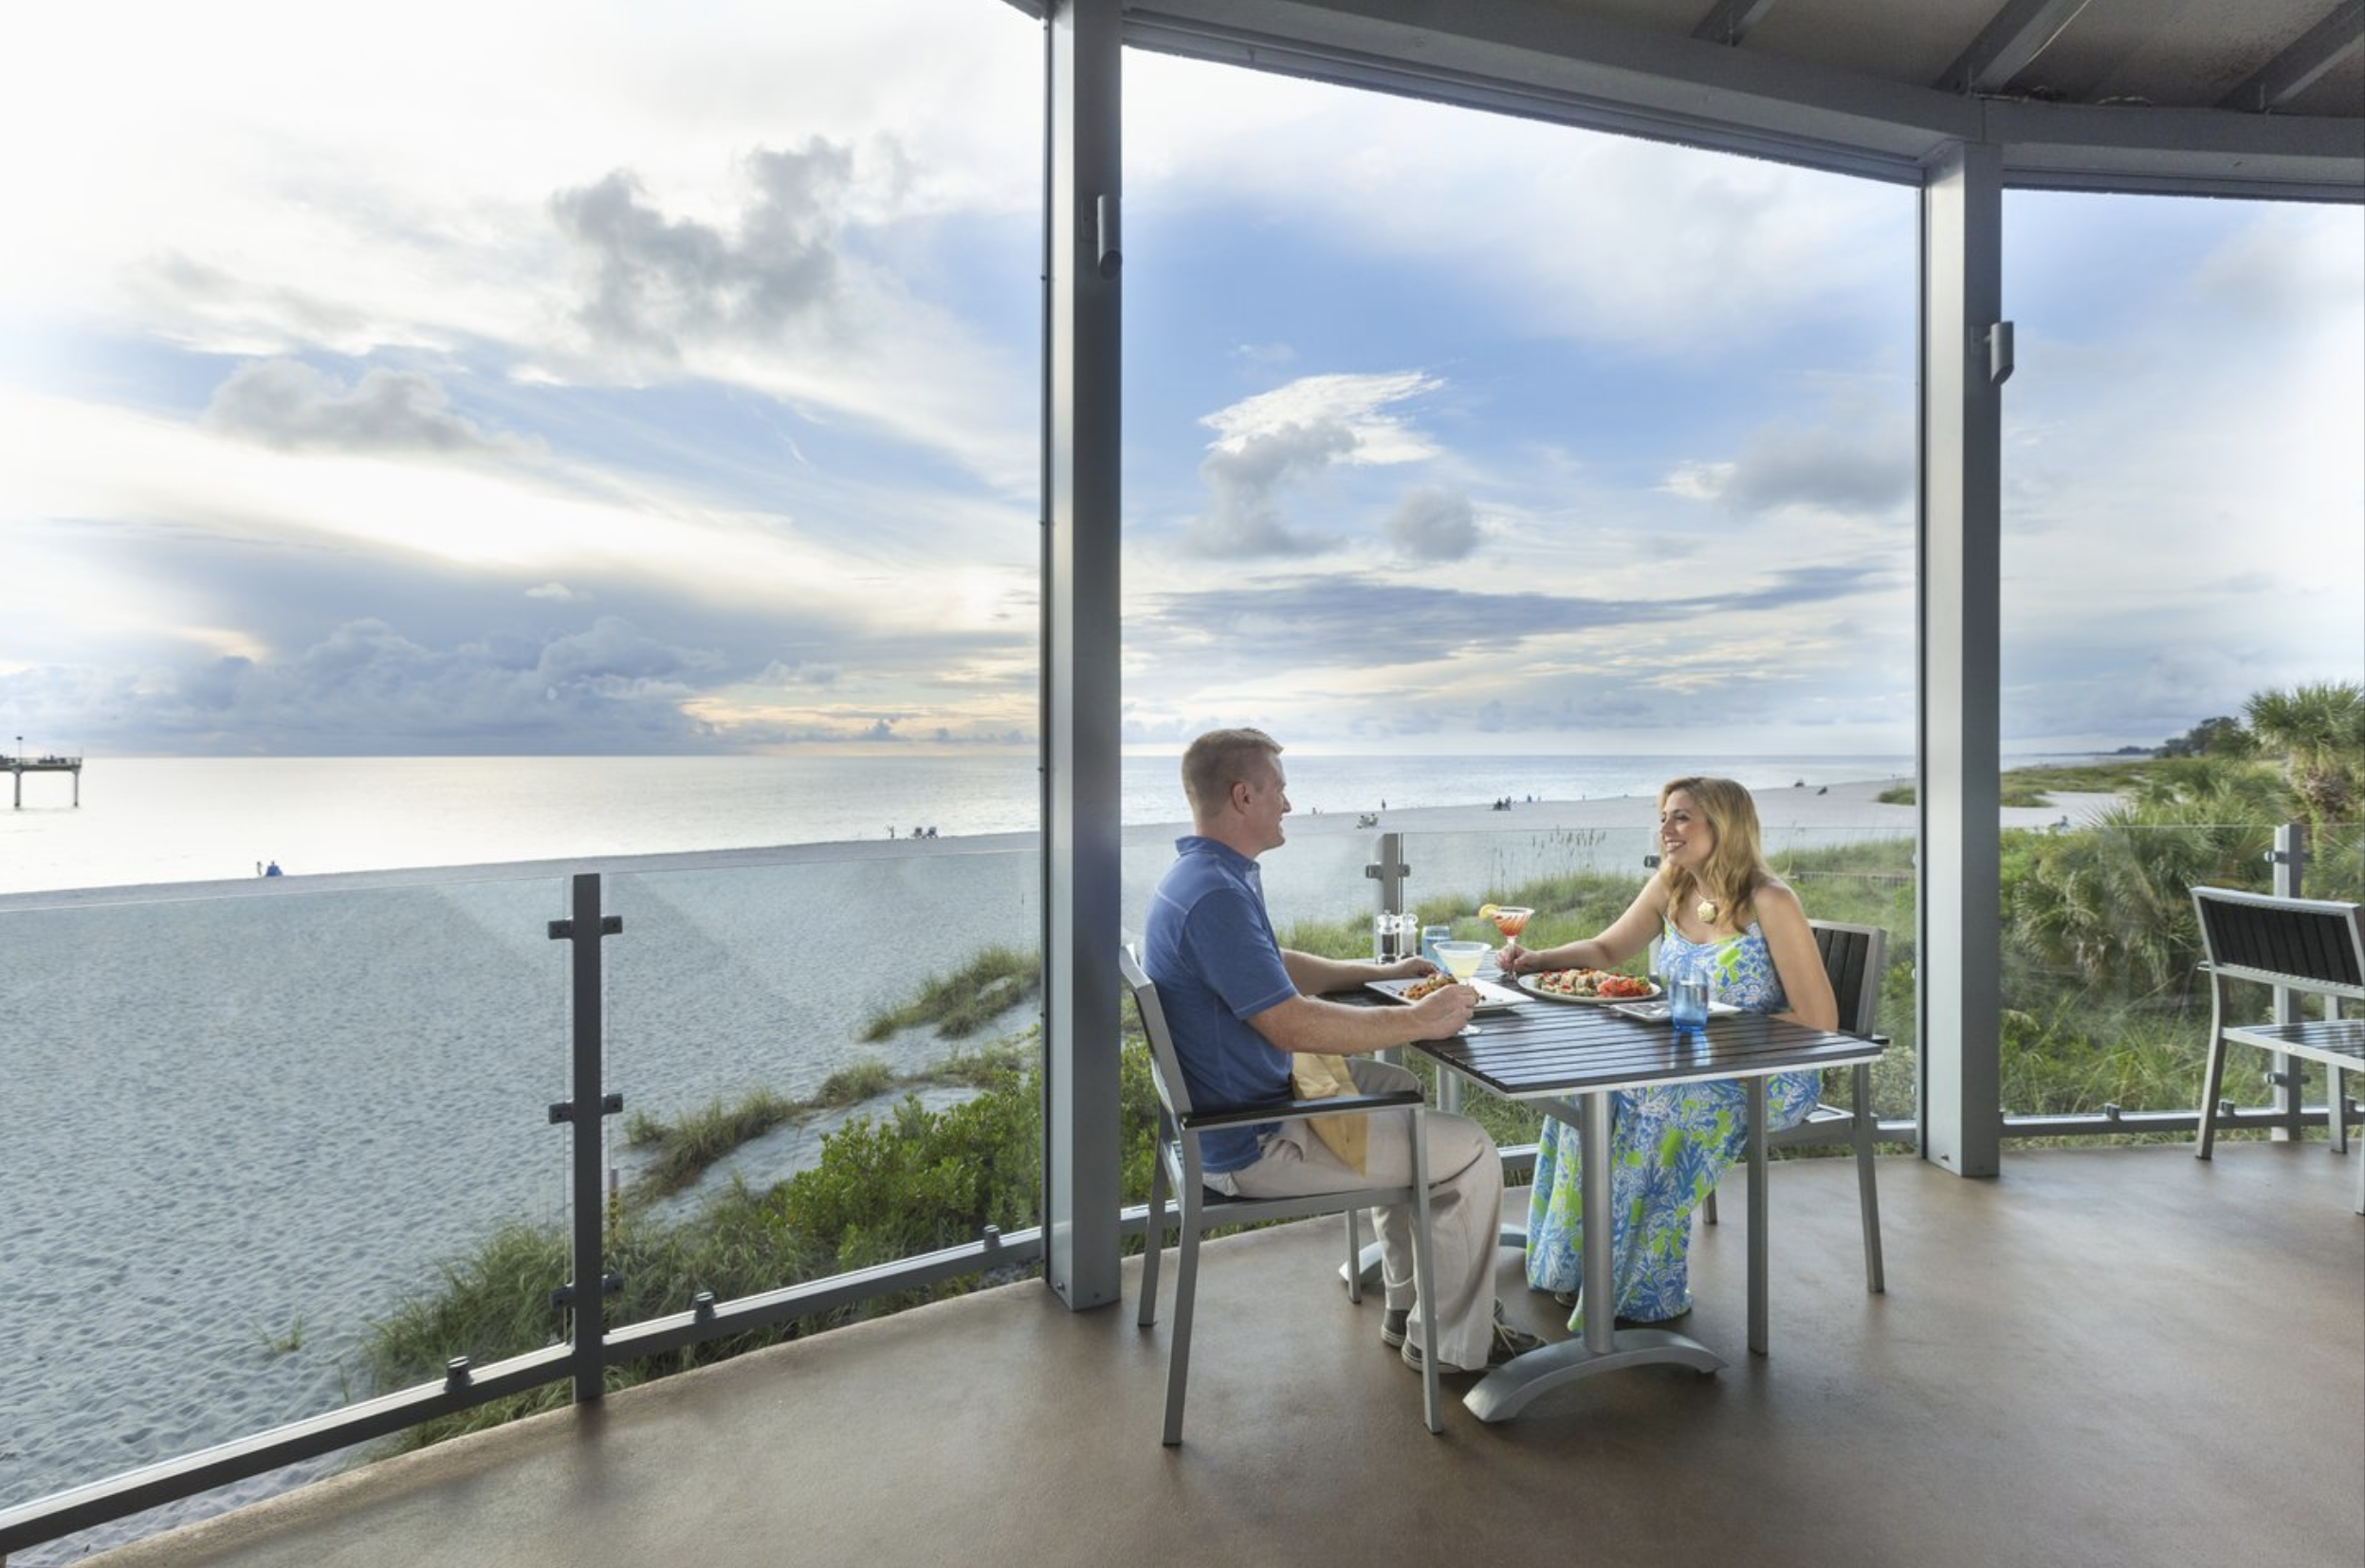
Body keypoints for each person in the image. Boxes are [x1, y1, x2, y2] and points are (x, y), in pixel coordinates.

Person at [1144, 728, 1541, 1374]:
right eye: (1279, 790)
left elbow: (1276, 969)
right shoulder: (1215, 895)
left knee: (1398, 1091)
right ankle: (1446, 1345)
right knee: (1471, 1150)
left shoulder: (1204, 875)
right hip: (1255, 1140)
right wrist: (1417, 1020)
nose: (1289, 805)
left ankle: (1406, 1298)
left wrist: (1379, 977)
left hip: (1249, 1107)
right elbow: (1290, 1025)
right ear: (1243, 796)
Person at [1497, 775, 1838, 1328]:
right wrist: (1536, 959)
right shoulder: (1672, 885)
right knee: (1583, 1094)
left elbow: (1820, 1022)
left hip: (1769, 1071)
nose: (1666, 829)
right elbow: (1609, 948)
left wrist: (1725, 1029)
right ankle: (1579, 1266)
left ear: (1722, 826)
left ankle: (1638, 1291)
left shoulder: (1770, 900)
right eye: (1663, 816)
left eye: (1681, 817)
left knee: (1657, 1109)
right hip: (1687, 1062)